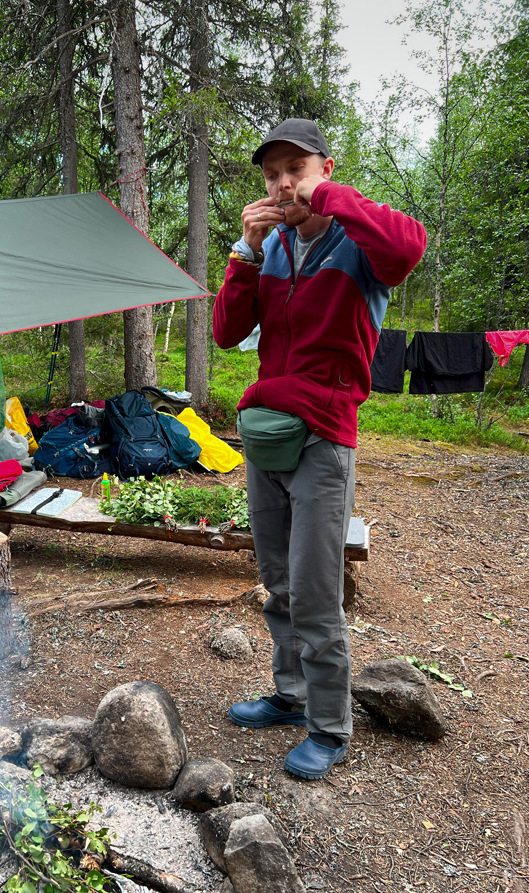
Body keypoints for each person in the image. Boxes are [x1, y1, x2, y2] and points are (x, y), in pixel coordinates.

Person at [213, 118, 427, 779]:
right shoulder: (272, 248)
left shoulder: (359, 245)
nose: (282, 184)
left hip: (325, 437)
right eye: (272, 174)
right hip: (267, 435)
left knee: (314, 589)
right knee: (276, 579)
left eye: (295, 170)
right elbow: (227, 333)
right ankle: (290, 693)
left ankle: (329, 728)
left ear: (325, 169)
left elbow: (409, 244)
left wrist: (325, 200)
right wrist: (244, 255)